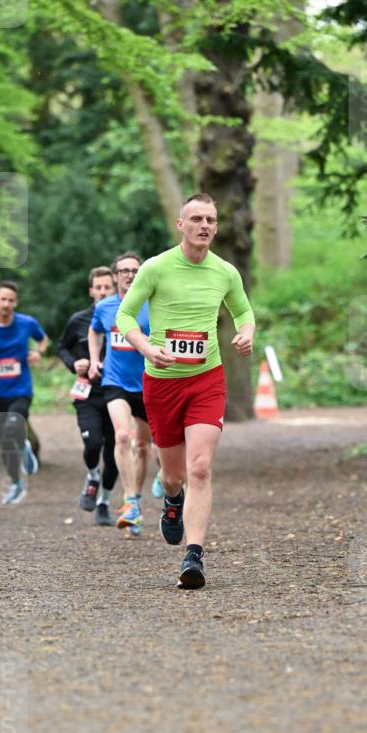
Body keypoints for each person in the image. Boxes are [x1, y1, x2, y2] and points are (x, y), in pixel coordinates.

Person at [116, 193, 255, 588]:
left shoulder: (226, 272)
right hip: (161, 383)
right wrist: (145, 347)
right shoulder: (157, 268)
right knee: (173, 475)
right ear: (181, 224)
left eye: (210, 219)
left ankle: (193, 556)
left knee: (200, 467)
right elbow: (125, 313)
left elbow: (244, 312)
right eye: (196, 218)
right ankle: (172, 502)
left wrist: (246, 333)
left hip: (206, 379)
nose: (205, 226)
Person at [87, 252, 151, 534]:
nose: (129, 275)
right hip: (115, 382)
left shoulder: (152, 305)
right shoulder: (105, 307)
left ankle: (136, 497)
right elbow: (94, 331)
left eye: (135, 270)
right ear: (115, 276)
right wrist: (93, 359)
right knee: (123, 436)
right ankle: (129, 501)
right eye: (124, 271)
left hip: (148, 383)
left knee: (144, 447)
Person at [58, 266, 118, 525]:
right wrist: (74, 364)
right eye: (99, 287)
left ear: (114, 288)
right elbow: (62, 348)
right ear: (91, 290)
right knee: (93, 443)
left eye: (108, 287)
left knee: (114, 452)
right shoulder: (78, 320)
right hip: (88, 393)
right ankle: (92, 475)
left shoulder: (124, 316)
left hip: (117, 392)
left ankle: (104, 502)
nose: (103, 292)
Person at [0, 281, 48, 505]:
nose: (6, 304)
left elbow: (43, 339)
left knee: (13, 424)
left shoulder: (27, 323)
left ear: (15, 303)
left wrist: (38, 352)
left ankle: (24, 446)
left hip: (21, 389)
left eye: (11, 300)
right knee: (4, 442)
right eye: (3, 299)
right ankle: (16, 483)